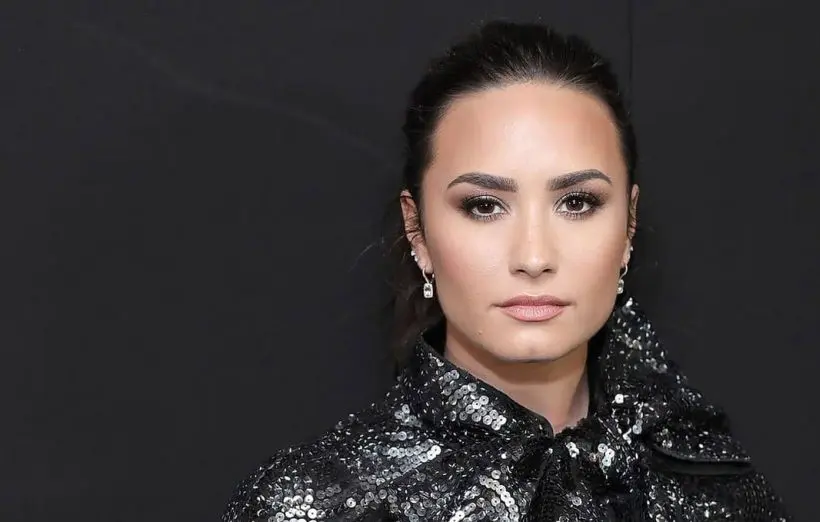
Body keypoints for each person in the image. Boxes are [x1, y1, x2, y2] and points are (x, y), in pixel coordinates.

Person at [222, 20, 789, 521]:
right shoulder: (309, 507)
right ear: (417, 230)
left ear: (629, 225)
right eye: (484, 206)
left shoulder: (715, 490)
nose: (534, 257)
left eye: (577, 203)